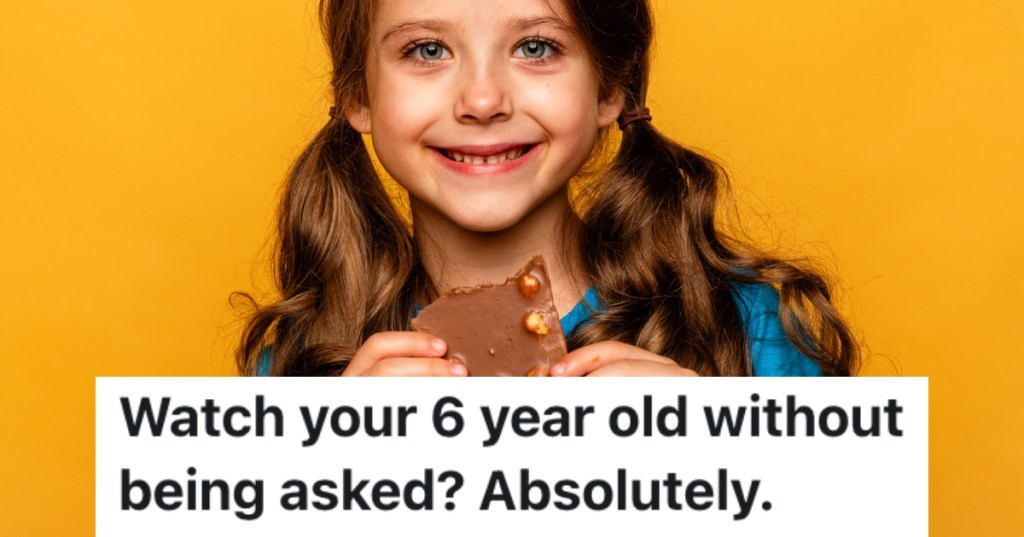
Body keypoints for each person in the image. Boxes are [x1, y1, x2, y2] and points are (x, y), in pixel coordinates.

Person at [237, 0, 859, 377]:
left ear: (610, 87)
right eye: (427, 50)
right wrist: (334, 475)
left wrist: (720, 461)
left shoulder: (747, 332)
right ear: (357, 94)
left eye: (535, 47)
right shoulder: (304, 363)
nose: (483, 100)